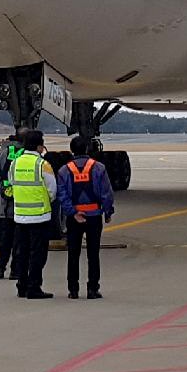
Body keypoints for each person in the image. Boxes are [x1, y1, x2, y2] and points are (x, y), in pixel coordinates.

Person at [56, 136, 115, 300]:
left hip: (74, 218)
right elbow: (106, 193)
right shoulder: (99, 168)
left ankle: (73, 290)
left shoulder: (64, 170)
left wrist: (72, 212)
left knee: (73, 254)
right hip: (94, 215)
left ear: (71, 150)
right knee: (93, 254)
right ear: (88, 149)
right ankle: (92, 289)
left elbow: (62, 195)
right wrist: (108, 212)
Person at [9, 128, 56, 299]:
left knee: (22, 253)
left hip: (20, 215)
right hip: (39, 216)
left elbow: (12, 183)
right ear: (39, 146)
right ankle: (34, 287)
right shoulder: (42, 165)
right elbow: (52, 190)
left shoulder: (15, 163)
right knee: (38, 254)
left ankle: (21, 286)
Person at [0, 133, 25, 280]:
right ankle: (15, 271)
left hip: (5, 204)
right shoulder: (27, 155)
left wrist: (2, 191)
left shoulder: (5, 153)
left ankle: (0, 268)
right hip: (23, 206)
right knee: (19, 241)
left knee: (5, 241)